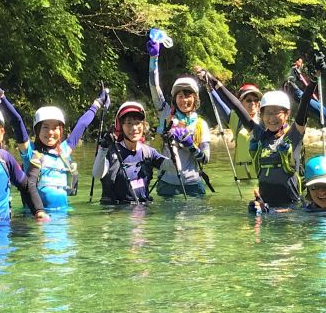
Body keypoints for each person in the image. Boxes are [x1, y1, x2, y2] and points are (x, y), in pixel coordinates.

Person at [196, 61, 318, 211]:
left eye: (277, 112)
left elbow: (305, 103)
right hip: (265, 208)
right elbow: (236, 106)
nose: (272, 118)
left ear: (287, 114)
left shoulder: (294, 135)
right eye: (268, 113)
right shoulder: (260, 136)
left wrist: (313, 79)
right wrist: (213, 81)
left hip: (292, 209)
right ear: (262, 114)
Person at [0, 77, 110, 210]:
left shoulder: (64, 151)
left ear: (61, 130)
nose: (51, 132)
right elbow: (17, 121)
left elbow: (82, 124)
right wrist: (2, 98)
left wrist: (98, 103)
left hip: (62, 218)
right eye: (45, 127)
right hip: (36, 219)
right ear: (37, 130)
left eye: (55, 128)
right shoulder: (29, 152)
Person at [148, 39, 211, 197]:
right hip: (167, 185)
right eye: (180, 96)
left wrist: (190, 145)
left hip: (193, 186)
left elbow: (205, 159)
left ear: (195, 99)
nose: (184, 100)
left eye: (188, 96)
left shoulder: (200, 125)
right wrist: (153, 58)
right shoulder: (166, 114)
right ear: (175, 99)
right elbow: (154, 87)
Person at [91, 101, 179, 204]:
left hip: (143, 214)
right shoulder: (111, 152)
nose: (134, 128)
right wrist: (103, 148)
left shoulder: (148, 153)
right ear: (120, 126)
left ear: (143, 125)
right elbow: (97, 174)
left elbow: (175, 168)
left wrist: (172, 144)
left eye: (138, 123)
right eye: (129, 123)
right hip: (116, 214)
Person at [208, 83, 262, 179]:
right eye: (248, 100)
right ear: (240, 103)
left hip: (259, 176)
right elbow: (219, 102)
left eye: (256, 100)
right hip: (241, 176)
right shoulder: (235, 120)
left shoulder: (265, 122)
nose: (253, 103)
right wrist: (210, 87)